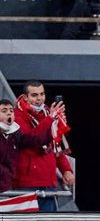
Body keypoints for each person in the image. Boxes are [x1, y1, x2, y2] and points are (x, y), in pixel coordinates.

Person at [13, 81, 74, 212]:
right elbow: (31, 139)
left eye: (42, 94)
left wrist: (66, 169)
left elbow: (55, 142)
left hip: (48, 181)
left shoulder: (47, 113)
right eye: (34, 95)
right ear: (25, 98)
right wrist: (50, 119)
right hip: (26, 183)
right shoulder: (16, 116)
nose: (39, 98)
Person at [0, 99, 61, 194]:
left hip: (7, 186)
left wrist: (52, 128)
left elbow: (33, 140)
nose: (9, 113)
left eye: (11, 111)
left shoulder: (15, 134)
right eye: (4, 111)